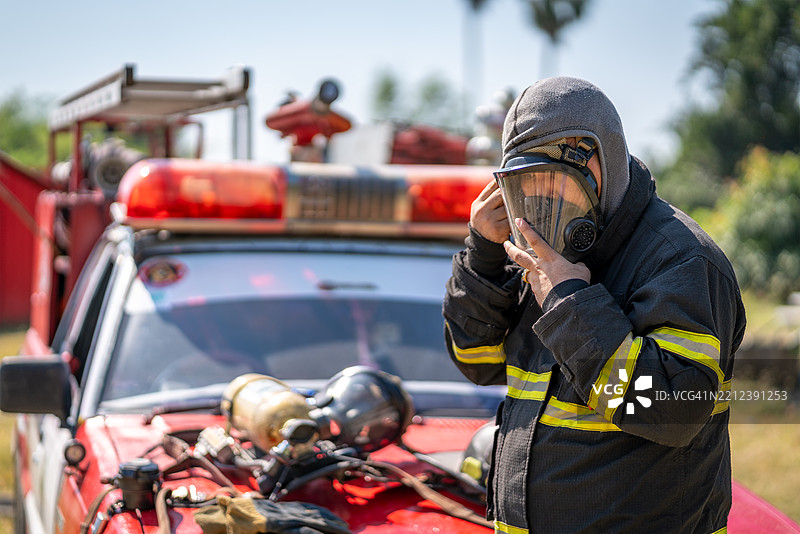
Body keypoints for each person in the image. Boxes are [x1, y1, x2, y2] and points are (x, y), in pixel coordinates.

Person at [443, 76, 746, 533]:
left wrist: (570, 303)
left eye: (548, 182)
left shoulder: (682, 260)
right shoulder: (545, 253)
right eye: (522, 187)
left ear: (597, 160)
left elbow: (670, 410)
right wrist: (483, 259)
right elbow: (478, 363)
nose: (537, 206)